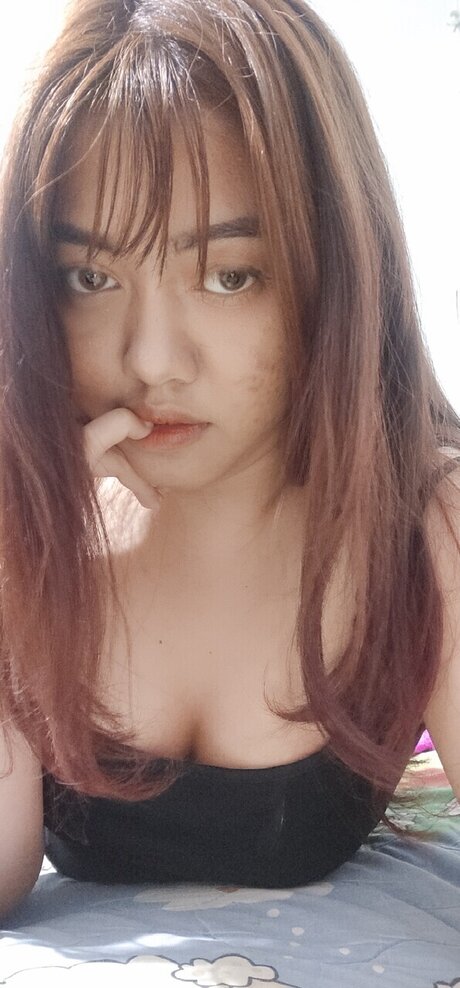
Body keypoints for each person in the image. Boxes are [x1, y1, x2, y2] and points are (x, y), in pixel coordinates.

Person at [1, 0, 459, 909]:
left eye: (227, 275)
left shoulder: (422, 529)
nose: (151, 360)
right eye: (92, 277)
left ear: (336, 266)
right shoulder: (31, 524)